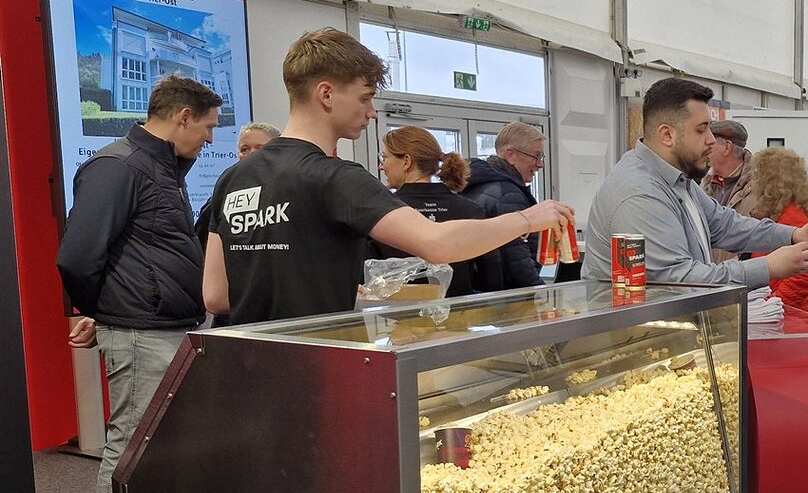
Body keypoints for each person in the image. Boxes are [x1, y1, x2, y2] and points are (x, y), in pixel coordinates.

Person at [203, 28, 571, 324]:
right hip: (320, 363)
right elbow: (438, 244)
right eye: (365, 97)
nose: (372, 112)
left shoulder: (233, 178)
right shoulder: (335, 178)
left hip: (248, 365)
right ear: (326, 94)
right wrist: (527, 218)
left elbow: (216, 296)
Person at [55, 74, 222, 493]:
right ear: (182, 116)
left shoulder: (162, 168)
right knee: (131, 448)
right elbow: (77, 256)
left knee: (156, 451)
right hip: (139, 333)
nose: (210, 139)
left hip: (165, 330)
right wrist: (100, 311)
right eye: (208, 127)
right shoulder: (118, 166)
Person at [582, 77, 808, 286]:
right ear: (667, 135)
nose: (711, 140)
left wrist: (793, 234)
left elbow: (723, 224)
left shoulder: (677, 180)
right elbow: (679, 279)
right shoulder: (639, 194)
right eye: (701, 129)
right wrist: (768, 267)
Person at [372, 125, 504, 297]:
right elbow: (492, 279)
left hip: (400, 312)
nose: (381, 166)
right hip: (459, 311)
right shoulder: (470, 210)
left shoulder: (382, 211)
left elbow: (367, 280)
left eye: (385, 157)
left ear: (406, 161)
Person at [461, 122, 547, 288]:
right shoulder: (508, 195)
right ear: (510, 155)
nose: (540, 164)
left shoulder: (474, 185)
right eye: (535, 156)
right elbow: (516, 261)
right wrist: (540, 291)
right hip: (505, 294)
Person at [746, 147, 808, 313]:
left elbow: (801, 277)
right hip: (781, 310)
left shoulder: (792, 217)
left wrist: (771, 305)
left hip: (788, 316)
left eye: (758, 174)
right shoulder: (781, 214)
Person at [196, 121, 283, 247]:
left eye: (261, 148)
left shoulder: (291, 192)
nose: (252, 154)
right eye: (245, 149)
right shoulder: (221, 199)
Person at [701, 120, 758, 215]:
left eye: (709, 145)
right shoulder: (705, 183)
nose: (702, 151)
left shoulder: (760, 187)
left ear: (727, 147)